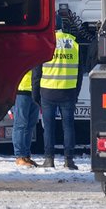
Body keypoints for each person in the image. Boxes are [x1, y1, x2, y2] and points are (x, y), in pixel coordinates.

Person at [37, 9, 82, 169]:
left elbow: (37, 71)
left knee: (48, 127)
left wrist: (36, 94)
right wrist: (76, 93)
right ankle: (69, 160)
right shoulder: (74, 43)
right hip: (68, 91)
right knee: (68, 126)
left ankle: (49, 159)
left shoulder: (46, 43)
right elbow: (78, 72)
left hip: (47, 91)